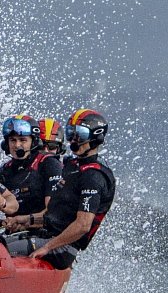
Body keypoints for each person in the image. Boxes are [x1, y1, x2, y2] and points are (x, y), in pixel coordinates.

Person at [15, 109, 116, 269]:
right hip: (47, 237)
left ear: (95, 137)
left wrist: (47, 248)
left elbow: (83, 225)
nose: (74, 139)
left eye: (80, 134)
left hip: (62, 249)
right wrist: (25, 220)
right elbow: (58, 216)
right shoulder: (72, 165)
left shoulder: (93, 175)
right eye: (71, 133)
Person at [0, 115, 63, 233]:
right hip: (14, 235)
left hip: (45, 236)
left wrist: (25, 221)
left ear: (33, 142)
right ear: (6, 144)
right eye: (13, 140)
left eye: (23, 140)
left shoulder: (49, 164)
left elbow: (53, 212)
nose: (17, 145)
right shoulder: (2, 172)